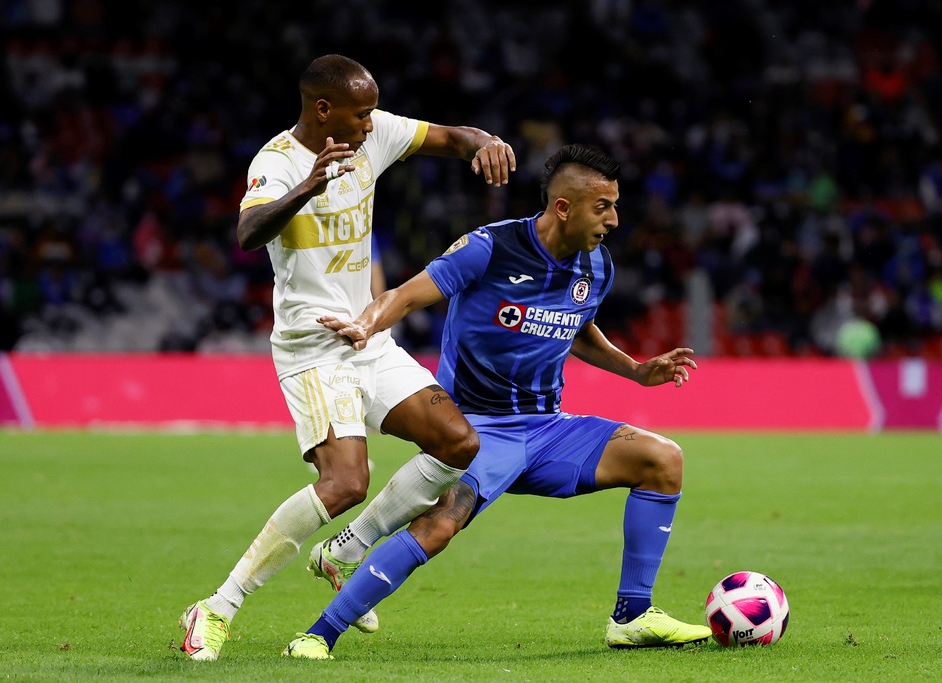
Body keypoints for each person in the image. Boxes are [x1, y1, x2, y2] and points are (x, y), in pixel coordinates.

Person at [282, 143, 712, 659]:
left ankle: (632, 616)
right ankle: (318, 634)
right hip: (477, 431)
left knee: (663, 459)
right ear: (563, 207)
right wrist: (365, 324)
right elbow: (407, 294)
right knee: (440, 526)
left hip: (548, 428)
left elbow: (578, 329)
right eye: (603, 207)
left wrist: (636, 371)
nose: (614, 220)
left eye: (615, 206)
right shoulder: (490, 248)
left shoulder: (596, 266)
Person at [178, 54, 516, 661]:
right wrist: (307, 188)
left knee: (458, 443)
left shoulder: (374, 134)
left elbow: (450, 137)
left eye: (371, 113)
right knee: (345, 483)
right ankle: (217, 606)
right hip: (312, 348)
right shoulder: (277, 162)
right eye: (360, 114)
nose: (370, 124)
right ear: (322, 109)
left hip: (368, 338)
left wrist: (484, 143)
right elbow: (248, 234)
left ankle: (345, 550)